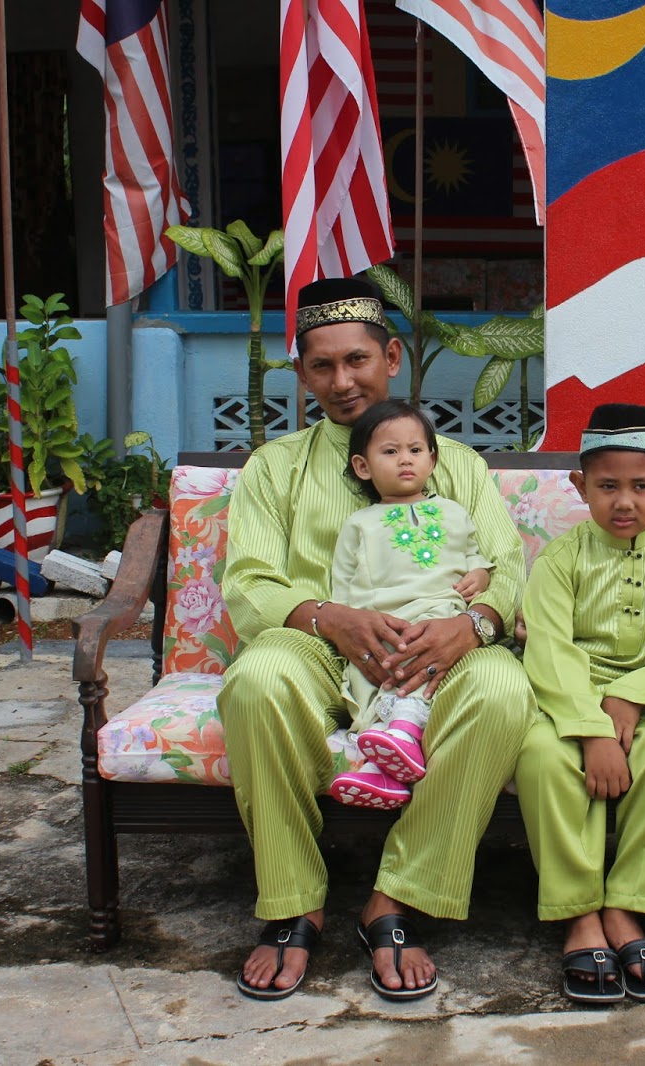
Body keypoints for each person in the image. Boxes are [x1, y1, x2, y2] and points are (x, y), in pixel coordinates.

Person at [217, 277, 534, 1002]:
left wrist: (475, 625)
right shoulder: (275, 468)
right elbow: (252, 582)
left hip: (436, 651)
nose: (342, 380)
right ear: (301, 374)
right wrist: (329, 617)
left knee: (503, 687)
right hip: (317, 647)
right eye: (322, 366)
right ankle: (294, 902)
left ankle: (398, 899)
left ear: (391, 356)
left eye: (358, 359)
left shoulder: (455, 465)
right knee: (257, 679)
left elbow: (505, 565)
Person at [516, 403, 645, 1004]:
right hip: (566, 702)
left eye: (642, 486)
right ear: (581, 486)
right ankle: (578, 914)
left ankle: (629, 906)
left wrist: (633, 697)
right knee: (542, 759)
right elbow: (550, 648)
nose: (625, 501)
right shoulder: (561, 558)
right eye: (607, 486)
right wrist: (591, 728)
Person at [327, 399, 494, 810]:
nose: (405, 460)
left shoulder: (453, 512)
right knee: (376, 673)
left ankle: (395, 741)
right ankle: (386, 756)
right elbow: (342, 585)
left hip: (441, 617)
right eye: (390, 451)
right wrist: (357, 622)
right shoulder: (359, 524)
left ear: (432, 460)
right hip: (385, 622)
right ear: (363, 467)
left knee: (424, 662)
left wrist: (481, 575)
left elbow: (475, 555)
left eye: (415, 450)